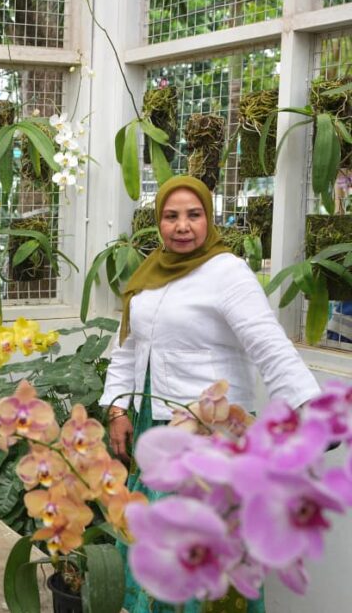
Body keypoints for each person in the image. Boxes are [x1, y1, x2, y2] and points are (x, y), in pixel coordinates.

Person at [101, 175, 321, 613]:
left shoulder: (227, 272)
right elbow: (128, 346)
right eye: (171, 216)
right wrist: (117, 407)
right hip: (154, 427)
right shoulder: (149, 273)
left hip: (210, 434)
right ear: (158, 222)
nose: (182, 226)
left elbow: (267, 342)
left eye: (193, 215)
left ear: (210, 218)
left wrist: (307, 406)